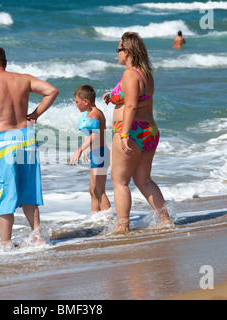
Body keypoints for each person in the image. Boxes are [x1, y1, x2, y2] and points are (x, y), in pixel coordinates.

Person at [0, 46, 59, 245]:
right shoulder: (23, 79)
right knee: (29, 193)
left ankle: (6, 246)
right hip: (27, 139)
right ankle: (39, 239)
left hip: (3, 144)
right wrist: (35, 114)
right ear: (5, 62)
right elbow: (52, 91)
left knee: (5, 196)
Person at [103, 32, 172, 232]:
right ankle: (166, 221)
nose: (116, 54)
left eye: (118, 50)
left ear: (128, 51)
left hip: (131, 131)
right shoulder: (145, 74)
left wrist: (123, 135)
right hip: (149, 131)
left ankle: (123, 227)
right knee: (144, 180)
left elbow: (132, 106)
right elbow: (140, 99)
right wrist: (114, 96)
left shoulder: (130, 74)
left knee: (120, 180)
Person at [70, 85, 112, 215]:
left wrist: (80, 149)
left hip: (100, 154)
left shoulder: (95, 114)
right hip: (95, 153)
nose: (75, 105)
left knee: (99, 190)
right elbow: (89, 134)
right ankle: (95, 216)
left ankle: (108, 218)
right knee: (92, 189)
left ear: (86, 101)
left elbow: (95, 134)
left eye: (77, 102)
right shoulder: (88, 113)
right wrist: (87, 148)